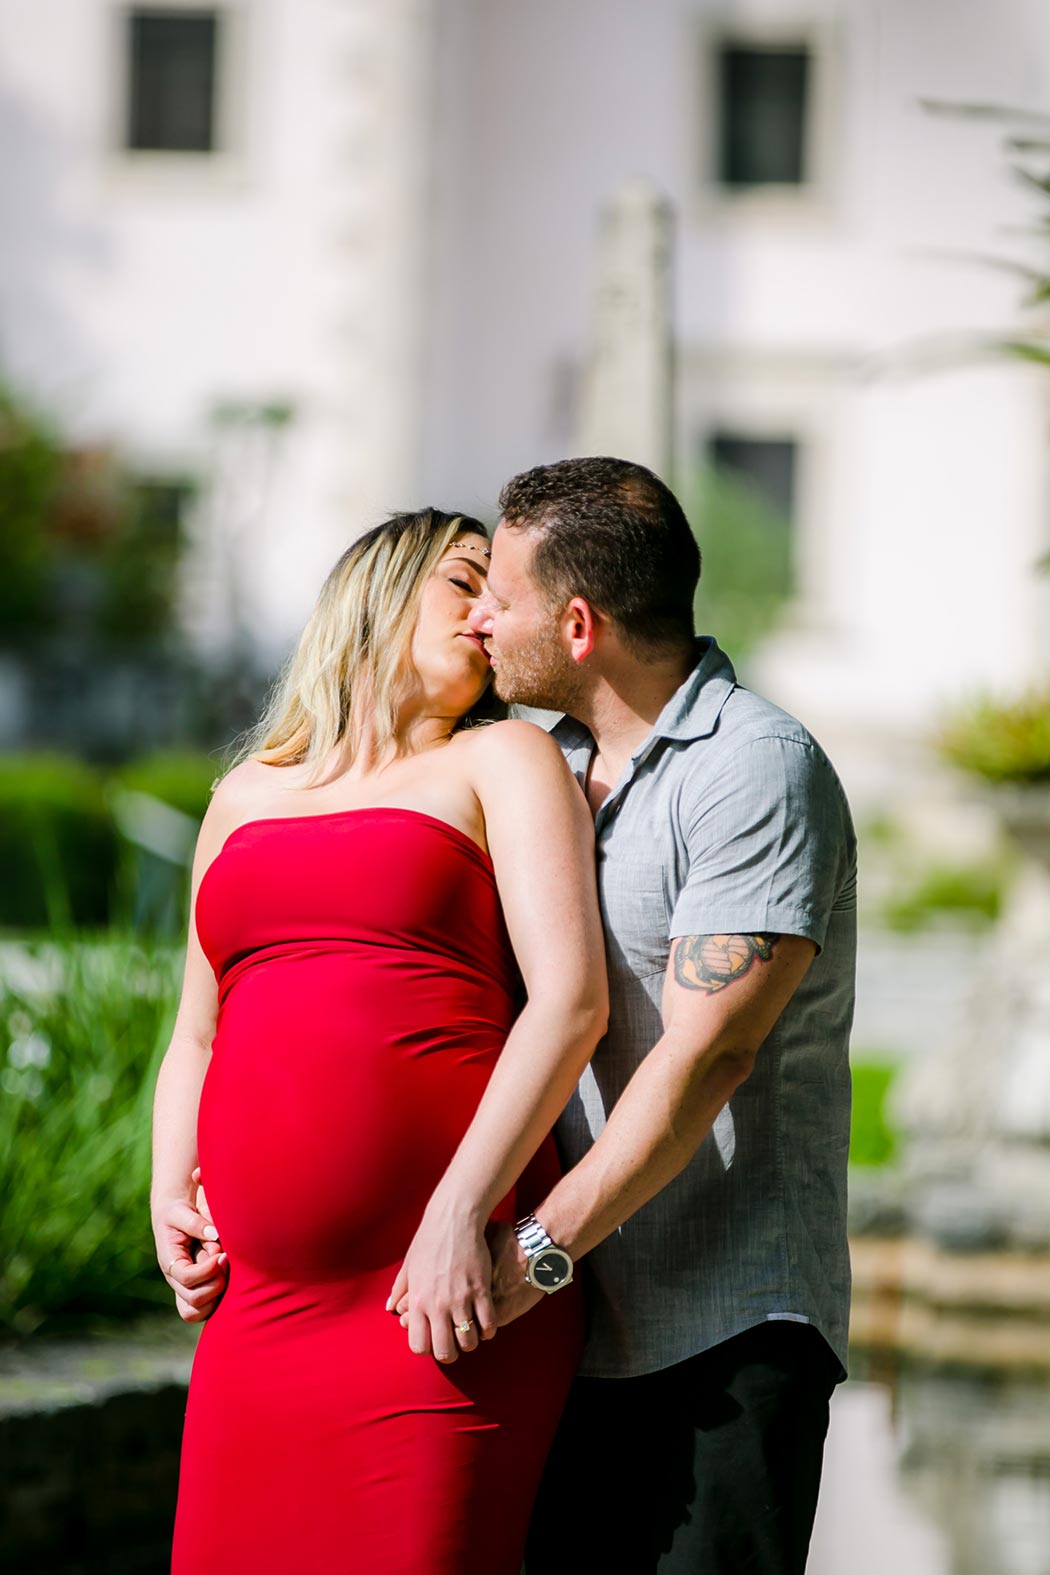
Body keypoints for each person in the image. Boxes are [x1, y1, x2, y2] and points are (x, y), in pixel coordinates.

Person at [150, 508, 608, 1575]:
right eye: (466, 584)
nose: (491, 615)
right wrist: (172, 1189)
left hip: (436, 1306)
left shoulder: (503, 761)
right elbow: (196, 1032)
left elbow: (570, 1003)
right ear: (381, 590)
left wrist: (461, 1212)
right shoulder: (241, 793)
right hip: (256, 1317)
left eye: (502, 596)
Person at [436, 456, 856, 1574]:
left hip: (718, 1332)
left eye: (502, 597)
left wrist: (531, 1256)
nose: (479, 619)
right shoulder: (543, 765)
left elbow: (706, 1058)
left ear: (578, 625)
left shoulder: (754, 769)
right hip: (564, 1337)